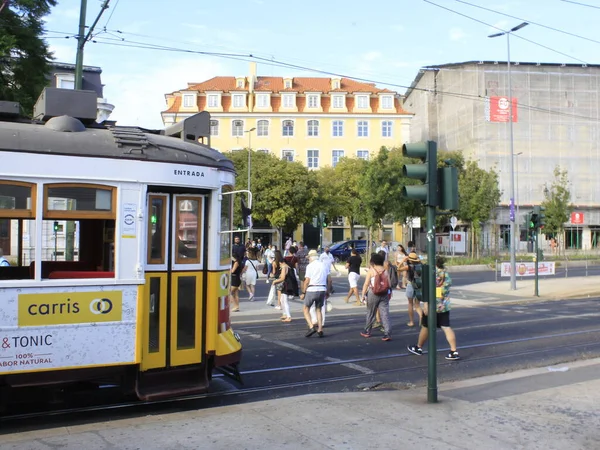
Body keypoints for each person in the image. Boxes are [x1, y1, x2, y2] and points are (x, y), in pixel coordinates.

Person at [407, 256, 460, 360]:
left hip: (432, 305)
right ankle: (454, 351)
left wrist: (426, 303)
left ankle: (418, 347)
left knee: (425, 326)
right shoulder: (445, 273)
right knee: (446, 327)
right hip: (444, 305)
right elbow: (446, 287)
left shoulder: (432, 273)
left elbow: (428, 289)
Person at [359, 252, 392, 341]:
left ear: (373, 262)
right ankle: (387, 333)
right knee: (384, 313)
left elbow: (366, 284)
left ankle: (367, 331)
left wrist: (362, 295)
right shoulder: (385, 271)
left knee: (371, 312)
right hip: (384, 293)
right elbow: (389, 284)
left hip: (373, 293)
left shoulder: (371, 270)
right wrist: (389, 293)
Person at [300, 250, 327, 337]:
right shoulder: (323, 265)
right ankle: (320, 329)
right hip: (322, 288)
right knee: (318, 309)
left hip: (312, 289)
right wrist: (328, 290)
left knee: (305, 309)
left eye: (309, 258)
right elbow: (329, 279)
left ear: (311, 258)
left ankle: (311, 327)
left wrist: (303, 292)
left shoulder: (310, 266)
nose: (308, 260)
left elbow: (307, 280)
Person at [398, 252, 422, 327]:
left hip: (411, 284)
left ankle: (412, 321)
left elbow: (398, 268)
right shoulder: (421, 265)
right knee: (417, 305)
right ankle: (421, 318)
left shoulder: (408, 267)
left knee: (410, 303)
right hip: (419, 285)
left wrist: (402, 260)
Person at [271, 250, 292, 321]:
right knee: (282, 299)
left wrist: (275, 281)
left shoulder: (283, 267)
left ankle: (288, 316)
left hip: (286, 285)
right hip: (286, 284)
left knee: (284, 300)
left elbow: (282, 278)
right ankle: (285, 314)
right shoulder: (285, 266)